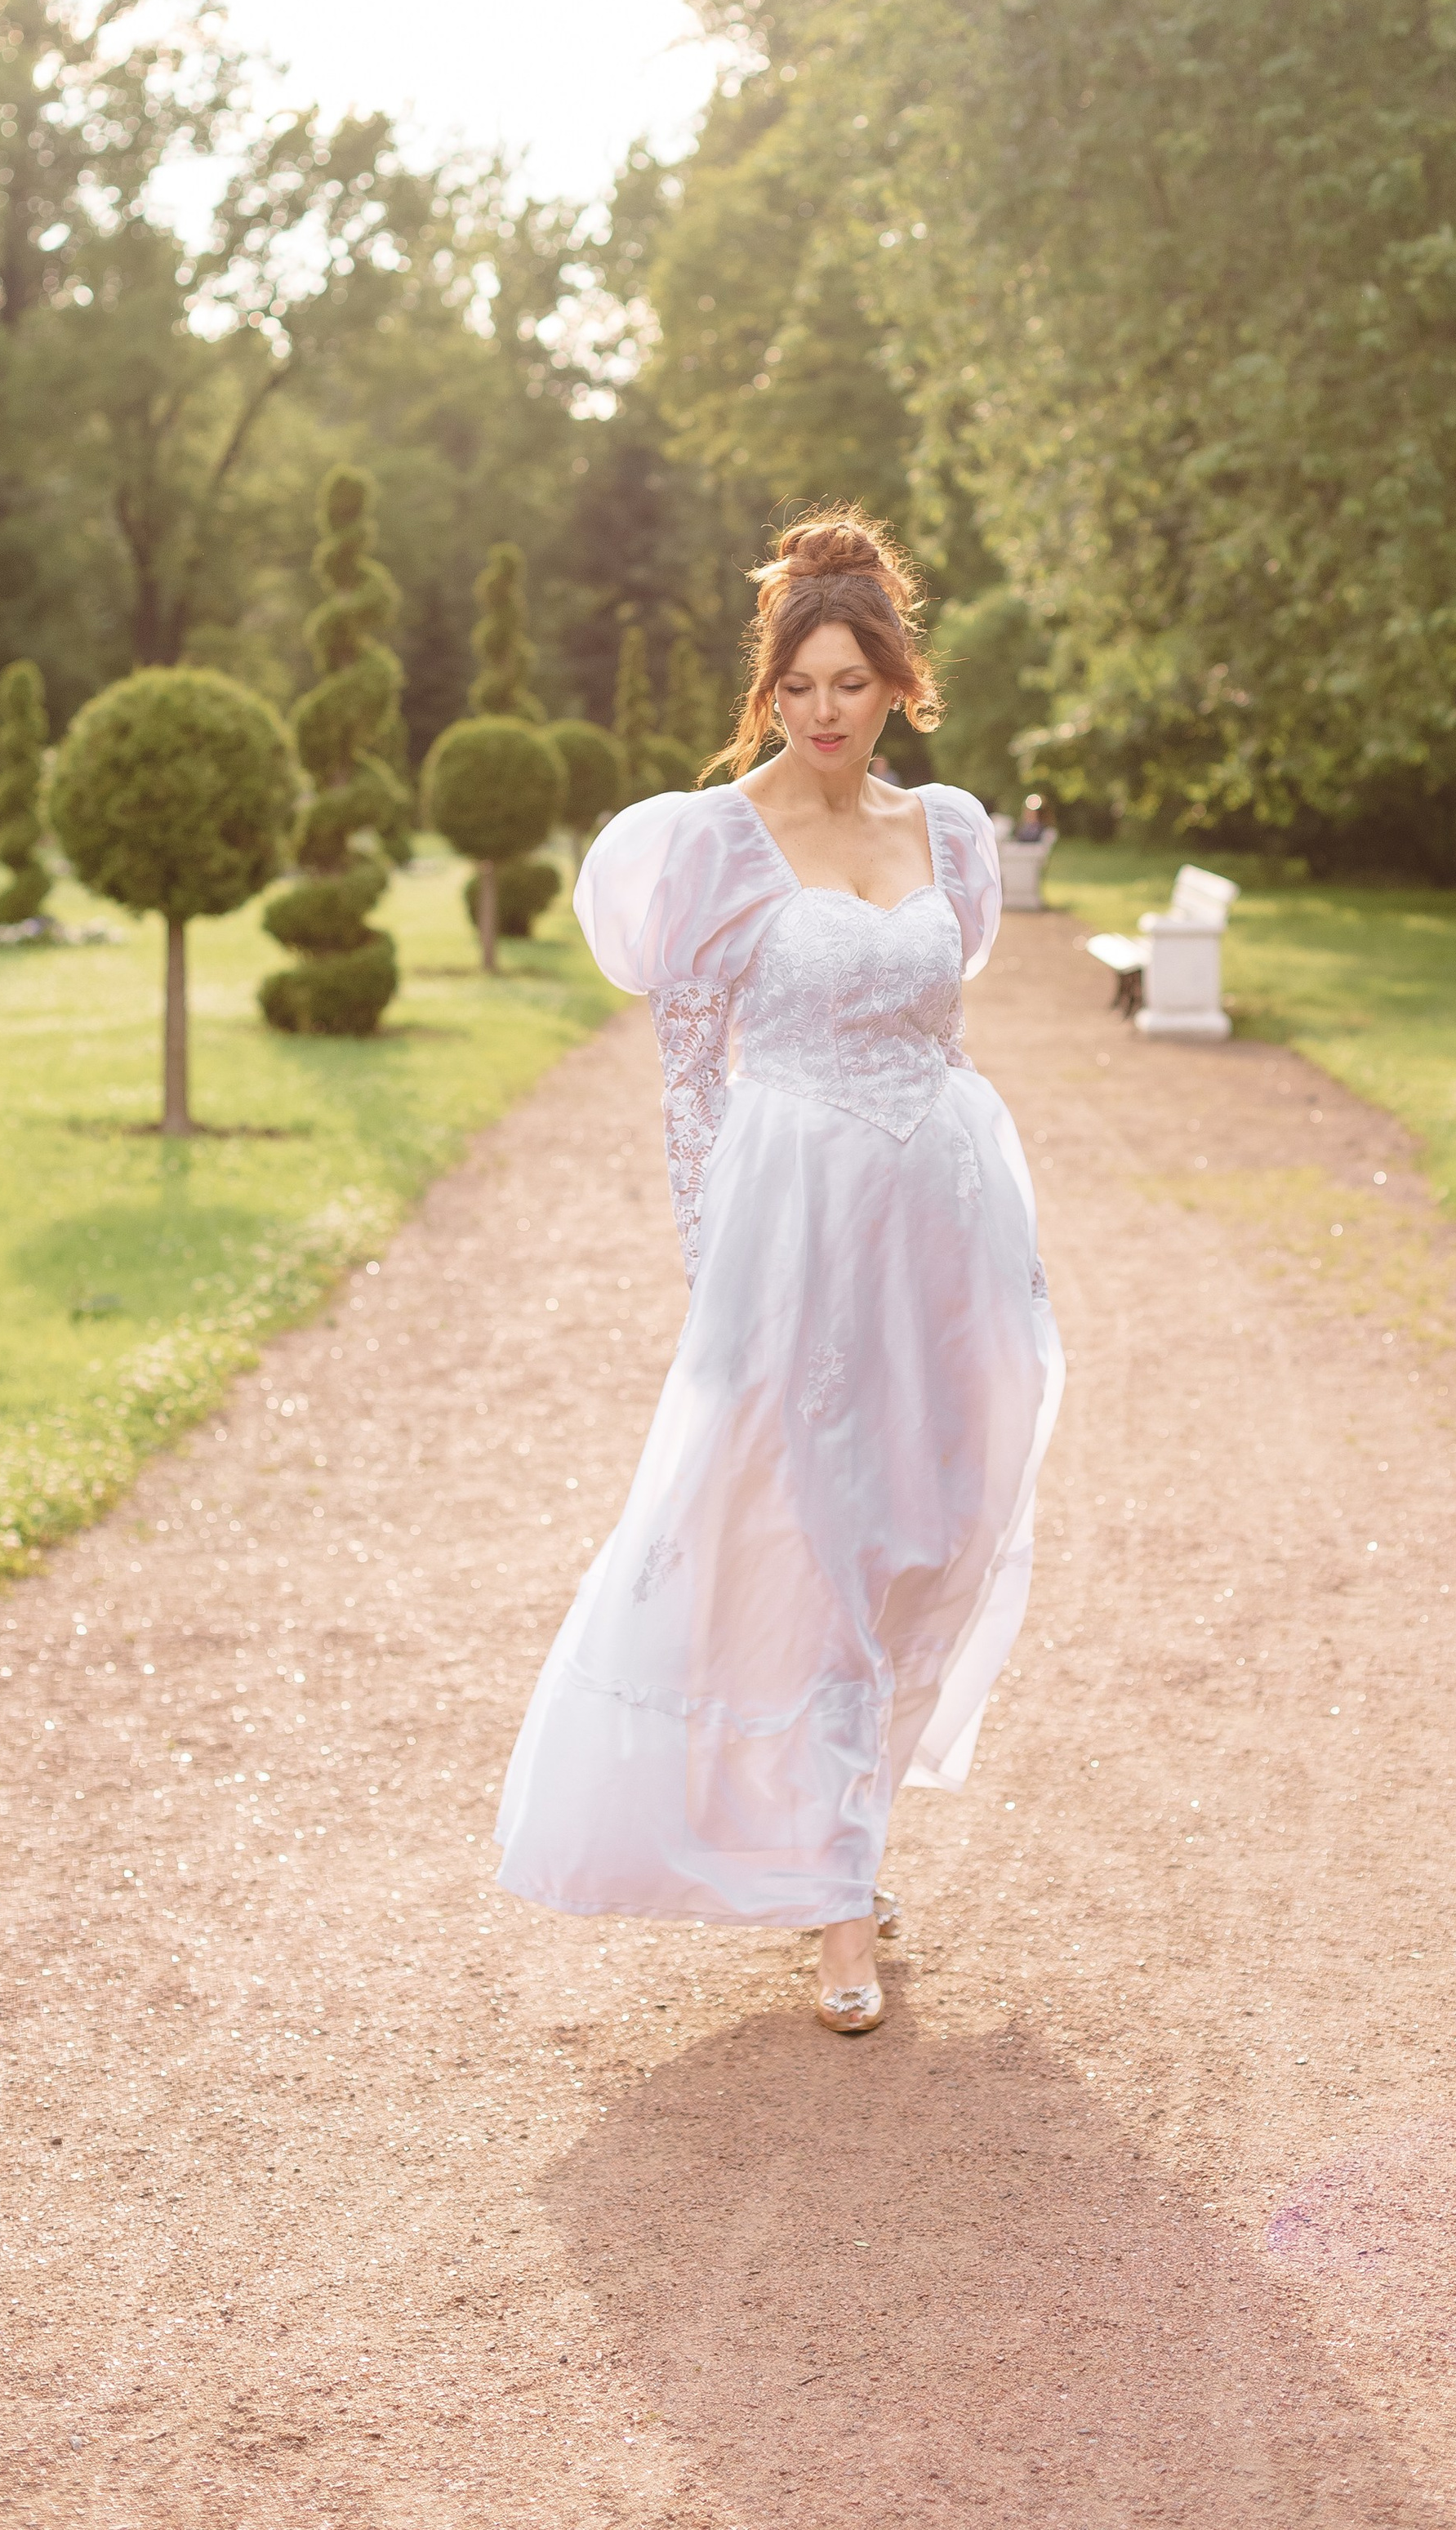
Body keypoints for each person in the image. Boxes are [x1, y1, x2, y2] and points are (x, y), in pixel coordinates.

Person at [494, 509, 1064, 2034]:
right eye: (800, 684)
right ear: (771, 690)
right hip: (798, 1239)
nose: (826, 711)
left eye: (852, 682)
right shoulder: (709, 845)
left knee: (927, 1532)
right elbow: (689, 1078)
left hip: (945, 1228)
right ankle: (832, 1906)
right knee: (813, 1540)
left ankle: (851, 1837)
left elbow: (950, 1025)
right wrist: (720, 1278)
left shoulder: (949, 833)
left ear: (896, 686)